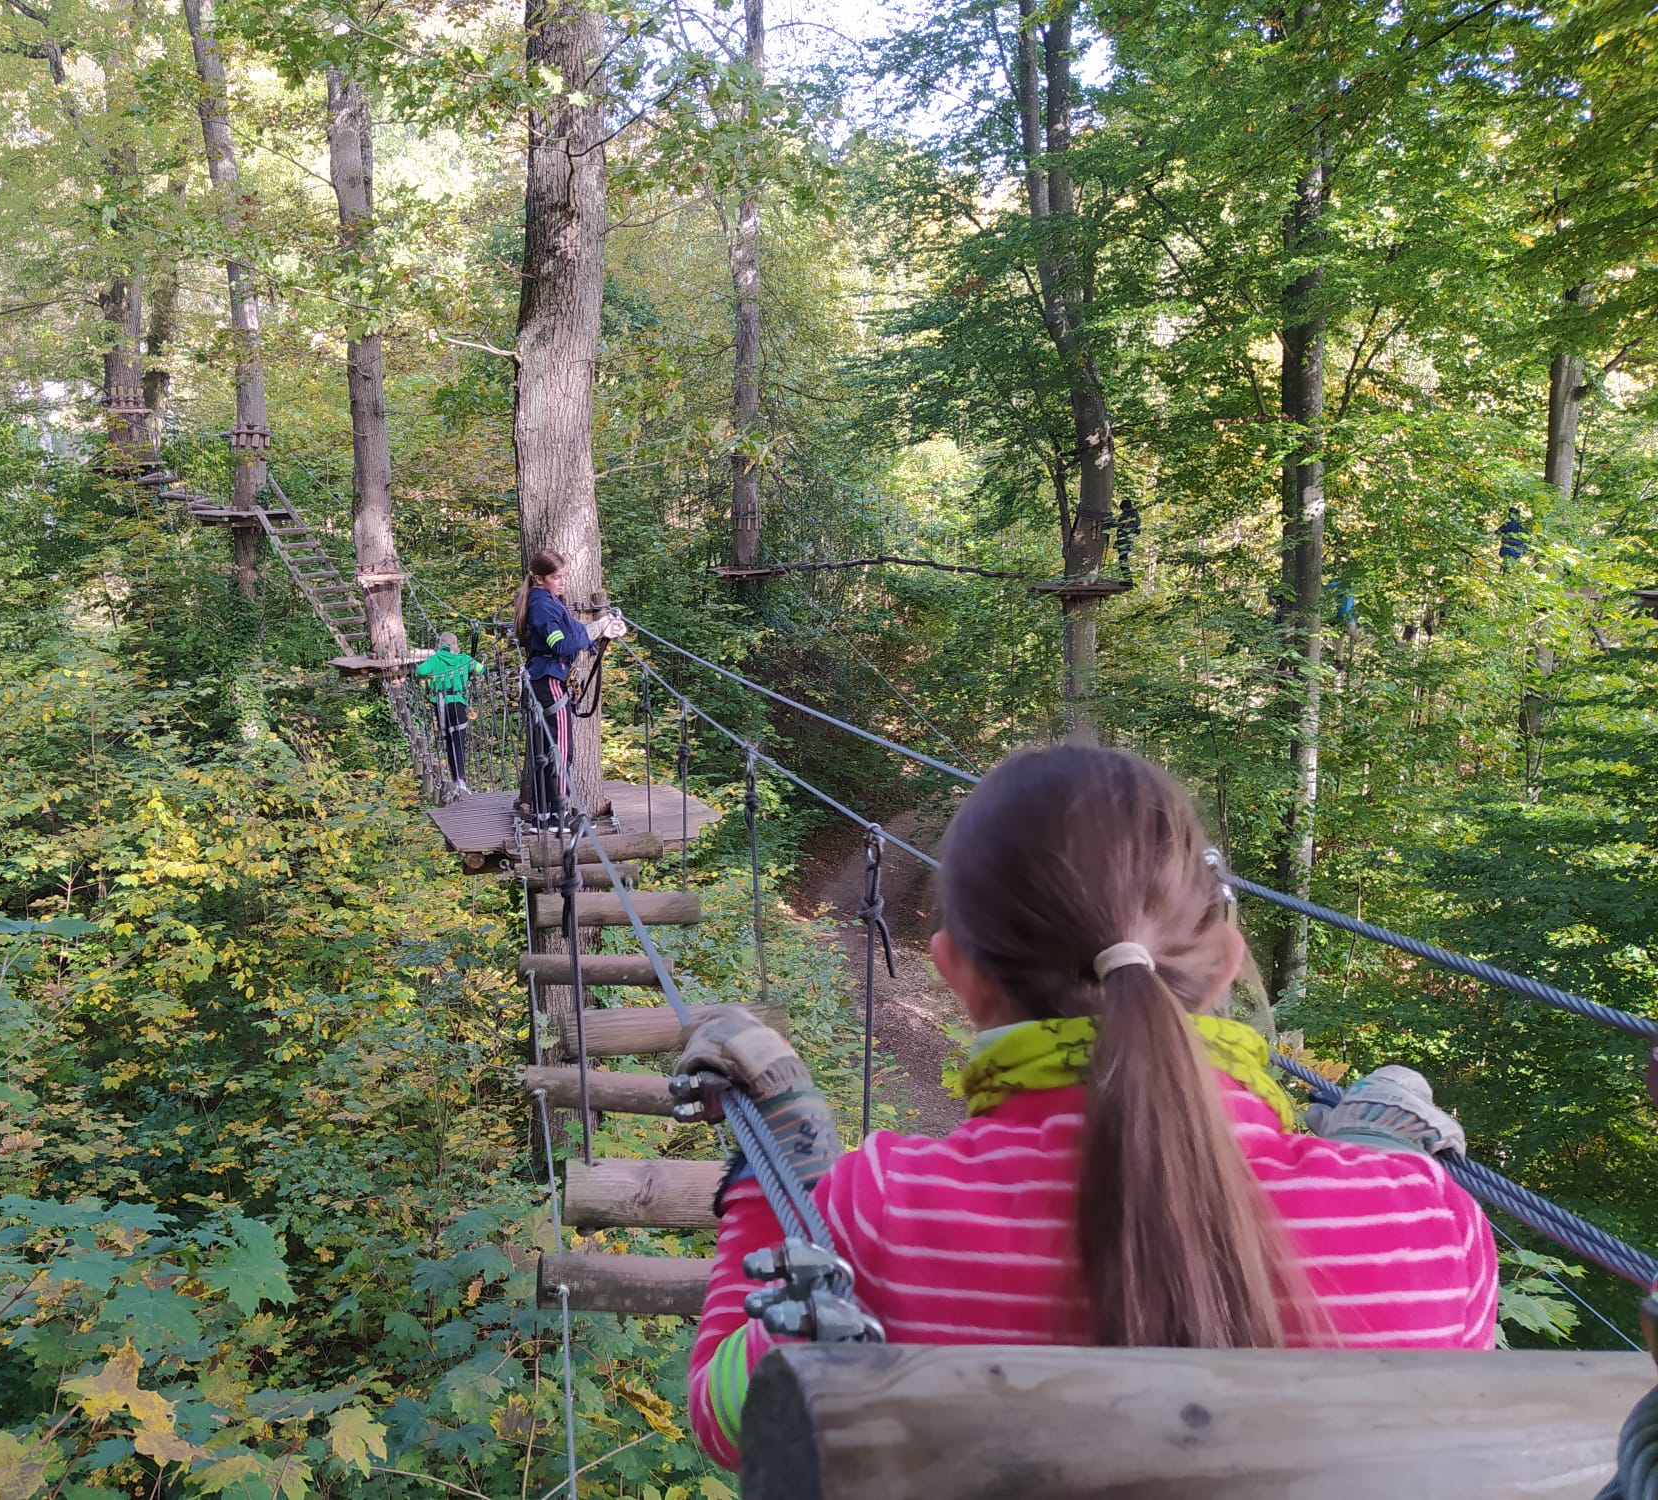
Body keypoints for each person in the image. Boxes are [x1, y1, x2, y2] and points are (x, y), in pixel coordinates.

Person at [683, 744, 1496, 1470]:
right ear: (1226, 964)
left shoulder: (876, 1214)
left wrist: (781, 1168)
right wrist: (1383, 1165)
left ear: (956, 974)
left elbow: (732, 1421)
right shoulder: (1428, 1224)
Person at [513, 550, 590, 826]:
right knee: (561, 750)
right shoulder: (544, 606)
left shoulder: (543, 601)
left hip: (541, 680)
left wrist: (585, 632)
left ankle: (542, 814)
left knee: (546, 750)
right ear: (539, 579)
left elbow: (571, 631)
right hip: (550, 682)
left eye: (563, 576)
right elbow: (561, 644)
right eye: (556, 577)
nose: (562, 582)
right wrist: (592, 632)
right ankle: (559, 815)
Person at [414, 631, 483, 792]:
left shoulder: (435, 658)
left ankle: (456, 779)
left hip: (441, 704)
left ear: (440, 645)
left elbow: (420, 671)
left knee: (449, 742)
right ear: (456, 644)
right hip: (458, 704)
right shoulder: (465, 659)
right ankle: (460, 781)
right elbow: (482, 669)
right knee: (458, 743)